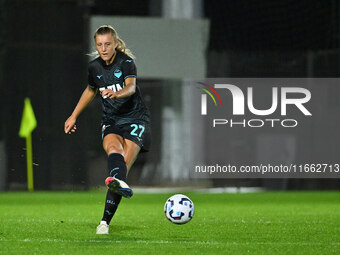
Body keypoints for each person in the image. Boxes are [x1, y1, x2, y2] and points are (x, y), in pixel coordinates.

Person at [64, 25, 151, 235]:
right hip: (111, 120)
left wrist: (117, 94)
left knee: (121, 171)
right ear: (96, 45)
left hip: (135, 119)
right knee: (113, 151)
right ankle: (104, 222)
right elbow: (90, 90)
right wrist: (73, 115)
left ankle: (105, 221)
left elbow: (130, 87)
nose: (103, 48)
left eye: (107, 44)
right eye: (99, 44)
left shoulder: (126, 62)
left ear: (114, 44)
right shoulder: (94, 67)